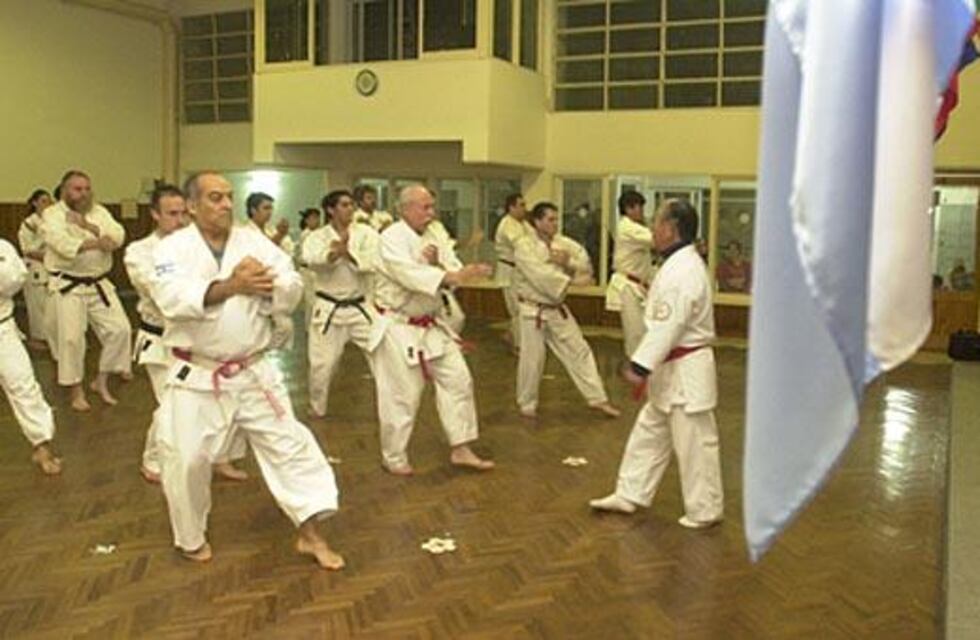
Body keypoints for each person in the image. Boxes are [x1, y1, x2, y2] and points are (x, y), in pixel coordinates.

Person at [149, 171, 343, 568]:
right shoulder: (171, 250)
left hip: (254, 371)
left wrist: (268, 286)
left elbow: (291, 283)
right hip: (197, 374)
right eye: (215, 197)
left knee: (292, 447)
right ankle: (191, 537)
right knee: (186, 460)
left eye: (228, 196)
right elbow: (172, 300)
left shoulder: (252, 241)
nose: (226, 204)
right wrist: (232, 286)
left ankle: (310, 534)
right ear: (192, 206)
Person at [590, 199, 724, 530]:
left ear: (670, 228)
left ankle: (705, 510)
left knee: (695, 442)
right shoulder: (676, 264)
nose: (652, 227)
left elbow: (669, 325)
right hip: (671, 368)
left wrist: (639, 367)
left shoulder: (684, 270)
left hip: (686, 371)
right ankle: (630, 493)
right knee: (648, 432)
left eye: (656, 221)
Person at [124, 184, 248, 485]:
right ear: (155, 214)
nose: (179, 221)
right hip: (161, 340)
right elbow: (160, 292)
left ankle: (220, 457)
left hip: (201, 338)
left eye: (184, 213)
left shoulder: (204, 246)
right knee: (170, 404)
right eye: (172, 214)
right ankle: (153, 460)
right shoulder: (140, 252)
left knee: (223, 397)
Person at [369, 184, 494, 475]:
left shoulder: (436, 232)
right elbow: (407, 274)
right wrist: (446, 274)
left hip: (432, 324)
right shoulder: (391, 237)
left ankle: (461, 447)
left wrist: (444, 267)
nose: (431, 213)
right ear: (404, 208)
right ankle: (394, 456)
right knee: (402, 395)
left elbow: (453, 268)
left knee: (458, 380)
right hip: (398, 326)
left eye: (432, 207)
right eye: (424, 207)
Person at [512, 202, 620, 420]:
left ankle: (598, 398)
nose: (555, 223)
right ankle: (527, 403)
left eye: (556, 219)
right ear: (537, 222)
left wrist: (568, 262)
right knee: (533, 360)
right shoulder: (524, 246)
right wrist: (572, 281)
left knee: (580, 350)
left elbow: (585, 264)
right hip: (533, 310)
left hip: (557, 309)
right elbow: (540, 276)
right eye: (550, 219)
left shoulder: (563, 244)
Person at [40, 170, 132, 411]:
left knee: (120, 330)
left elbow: (118, 236)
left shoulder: (99, 212)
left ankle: (101, 379)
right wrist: (98, 242)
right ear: (64, 190)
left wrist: (88, 226)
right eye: (77, 189)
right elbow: (61, 244)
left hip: (98, 283)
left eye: (87, 188)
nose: (83, 193)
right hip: (68, 286)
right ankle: (76, 390)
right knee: (71, 340)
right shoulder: (52, 214)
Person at [303, 190, 379, 418]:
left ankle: (391, 404)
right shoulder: (316, 237)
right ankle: (317, 407)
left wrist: (349, 253)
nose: (350, 209)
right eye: (344, 205)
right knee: (321, 365)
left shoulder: (366, 233)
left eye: (351, 205)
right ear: (330, 209)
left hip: (360, 308)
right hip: (329, 308)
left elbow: (374, 262)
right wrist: (333, 254)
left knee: (382, 355)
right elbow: (311, 261)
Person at [0, 238, 63, 475]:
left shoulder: (2, 248)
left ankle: (42, 446)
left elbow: (15, 279)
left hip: (3, 329)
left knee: (24, 384)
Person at [605, 190, 655, 359]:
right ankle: (635, 366)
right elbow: (655, 240)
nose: (641, 212)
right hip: (627, 285)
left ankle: (642, 364)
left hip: (639, 285)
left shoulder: (637, 227)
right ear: (628, 209)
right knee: (635, 332)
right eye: (639, 207)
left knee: (644, 330)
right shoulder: (627, 227)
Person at [493, 193, 531, 352]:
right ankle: (518, 345)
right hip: (509, 270)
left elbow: (534, 241)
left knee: (523, 307)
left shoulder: (523, 224)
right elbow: (521, 245)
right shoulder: (507, 224)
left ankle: (512, 335)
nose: (524, 209)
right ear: (511, 207)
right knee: (516, 309)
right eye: (521, 205)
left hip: (520, 271)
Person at [18, 189, 54, 351]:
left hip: (51, 268)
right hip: (35, 268)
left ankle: (51, 337)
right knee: (36, 306)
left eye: (49, 201)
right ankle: (37, 338)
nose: (47, 205)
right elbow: (27, 250)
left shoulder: (52, 222)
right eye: (44, 201)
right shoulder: (28, 223)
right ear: (34, 203)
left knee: (49, 307)